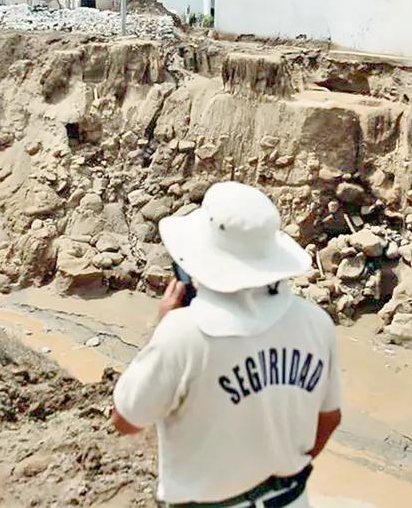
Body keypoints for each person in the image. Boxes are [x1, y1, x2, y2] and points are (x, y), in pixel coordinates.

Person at [111, 181, 343, 508]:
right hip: (291, 498)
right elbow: (330, 419)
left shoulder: (183, 334)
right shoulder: (316, 322)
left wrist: (161, 328)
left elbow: (126, 419)